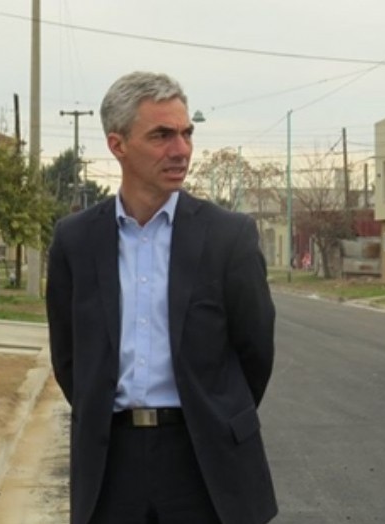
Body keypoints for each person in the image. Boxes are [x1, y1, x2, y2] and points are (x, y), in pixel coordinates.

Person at [46, 71, 277, 524]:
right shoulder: (76, 240)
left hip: (205, 461)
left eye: (186, 133)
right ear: (118, 145)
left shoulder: (229, 237)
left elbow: (255, 353)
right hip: (112, 464)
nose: (181, 149)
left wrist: (217, 414)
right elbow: (69, 358)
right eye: (162, 135)